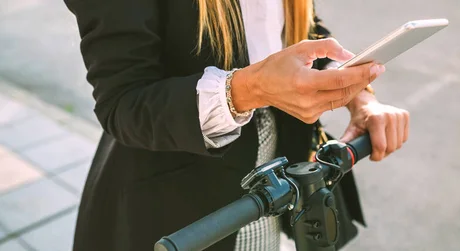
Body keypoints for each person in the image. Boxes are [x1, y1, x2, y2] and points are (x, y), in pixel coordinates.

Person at [64, 0, 409, 250]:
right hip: (178, 213)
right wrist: (250, 88)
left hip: (275, 194)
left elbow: (300, 26)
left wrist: (360, 96)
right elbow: (125, 103)